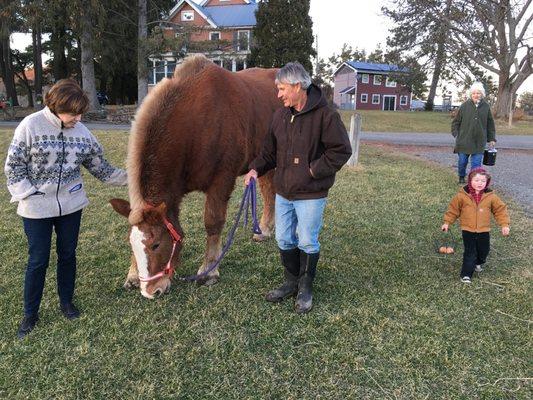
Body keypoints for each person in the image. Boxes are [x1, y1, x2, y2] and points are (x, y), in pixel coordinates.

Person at [4, 79, 127, 339]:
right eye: (73, 113)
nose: (78, 118)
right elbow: (14, 167)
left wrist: (135, 176)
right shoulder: (30, 126)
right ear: (55, 106)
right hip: (36, 209)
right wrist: (29, 194)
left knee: (68, 254)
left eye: (81, 112)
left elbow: (101, 170)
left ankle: (66, 302)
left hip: (71, 206)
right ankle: (30, 314)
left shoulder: (82, 132)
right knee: (38, 260)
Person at [244, 62, 352, 313]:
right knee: (283, 237)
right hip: (284, 192)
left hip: (311, 193)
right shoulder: (279, 116)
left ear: (297, 86)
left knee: (307, 240)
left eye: (282, 89)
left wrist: (313, 171)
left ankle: (305, 287)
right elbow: (268, 152)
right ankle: (290, 282)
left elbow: (341, 151)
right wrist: (254, 169)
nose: (279, 94)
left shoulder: (326, 116)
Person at [441, 167, 510, 283]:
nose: (480, 183)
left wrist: (504, 224)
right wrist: (447, 222)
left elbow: (500, 210)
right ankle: (466, 274)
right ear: (470, 180)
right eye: (476, 180)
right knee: (470, 252)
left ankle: (479, 262)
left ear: (487, 182)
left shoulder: (491, 197)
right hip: (468, 229)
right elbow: (453, 210)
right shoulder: (462, 196)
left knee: (484, 250)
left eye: (483, 181)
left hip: (484, 230)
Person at [451, 82, 496, 184]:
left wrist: (492, 139)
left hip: (479, 142)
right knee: (462, 162)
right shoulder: (464, 106)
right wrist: (456, 134)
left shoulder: (486, 107)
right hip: (464, 141)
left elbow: (490, 124)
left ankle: (473, 182)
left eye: (478, 93)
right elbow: (456, 122)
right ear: (471, 94)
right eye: (474, 93)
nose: (476, 95)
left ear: (482, 94)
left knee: (476, 164)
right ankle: (461, 176)